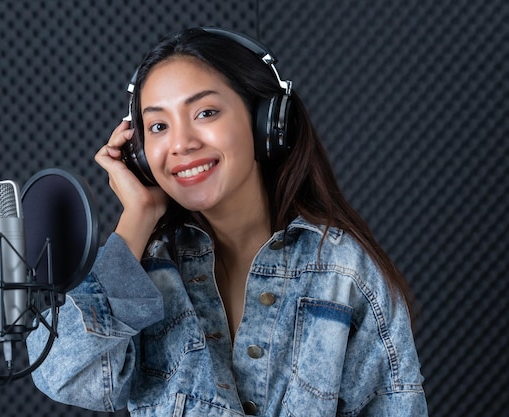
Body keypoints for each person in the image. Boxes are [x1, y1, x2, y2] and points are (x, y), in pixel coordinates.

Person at [27, 27, 428, 416]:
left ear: (267, 123)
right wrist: (138, 217)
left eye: (205, 112)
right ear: (141, 154)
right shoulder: (143, 272)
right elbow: (62, 373)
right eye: (159, 126)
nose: (182, 143)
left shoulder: (343, 271)